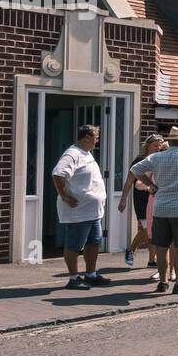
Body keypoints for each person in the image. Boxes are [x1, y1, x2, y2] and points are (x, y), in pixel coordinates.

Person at [120, 126, 178, 294]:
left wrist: (150, 185)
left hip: (160, 208)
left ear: (169, 141)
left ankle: (162, 282)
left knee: (161, 249)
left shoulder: (156, 157)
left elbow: (135, 170)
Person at [51, 124, 112, 290]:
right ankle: (73, 278)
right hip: (79, 211)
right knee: (74, 244)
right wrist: (64, 196)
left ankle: (91, 274)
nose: (97, 141)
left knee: (94, 242)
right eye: (96, 137)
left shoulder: (86, 153)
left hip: (92, 212)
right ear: (86, 137)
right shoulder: (72, 154)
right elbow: (58, 174)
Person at [125, 134, 164, 268]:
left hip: (155, 198)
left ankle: (151, 260)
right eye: (155, 145)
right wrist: (123, 199)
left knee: (152, 230)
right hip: (142, 197)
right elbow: (130, 180)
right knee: (145, 229)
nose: (158, 148)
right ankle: (131, 250)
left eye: (160, 146)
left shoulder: (158, 159)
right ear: (147, 145)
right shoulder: (139, 160)